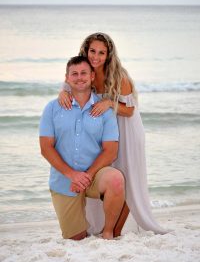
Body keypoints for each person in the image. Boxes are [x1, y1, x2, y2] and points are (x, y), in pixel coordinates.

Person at [59, 32, 167, 236]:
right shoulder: (84, 71)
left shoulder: (119, 77)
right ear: (85, 50)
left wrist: (109, 103)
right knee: (106, 179)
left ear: (109, 54)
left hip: (126, 131)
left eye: (101, 52)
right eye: (92, 51)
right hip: (102, 133)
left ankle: (115, 231)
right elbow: (69, 85)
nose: (96, 57)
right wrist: (63, 92)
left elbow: (130, 111)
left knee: (126, 179)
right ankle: (102, 226)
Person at [39, 56, 125, 240]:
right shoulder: (52, 108)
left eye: (84, 73)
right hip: (64, 181)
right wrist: (72, 175)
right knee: (75, 239)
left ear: (92, 76)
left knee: (116, 179)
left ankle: (108, 233)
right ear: (67, 78)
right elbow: (46, 148)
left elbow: (111, 151)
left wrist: (87, 176)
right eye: (74, 74)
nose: (79, 77)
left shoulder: (104, 111)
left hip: (95, 176)